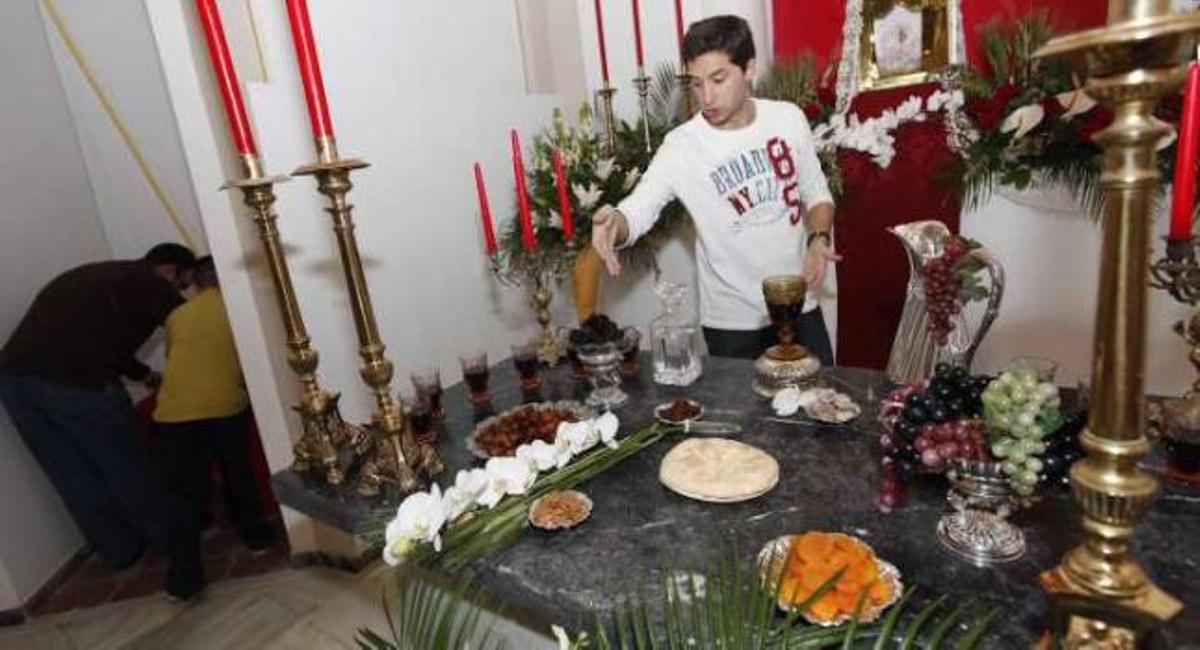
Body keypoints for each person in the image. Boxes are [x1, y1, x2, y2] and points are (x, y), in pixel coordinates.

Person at [591, 15, 839, 363]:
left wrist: (818, 240)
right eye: (696, 84)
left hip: (799, 305)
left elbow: (818, 195)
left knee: (824, 410)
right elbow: (638, 208)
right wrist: (613, 225)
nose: (706, 97)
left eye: (718, 79)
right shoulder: (682, 146)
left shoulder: (787, 118)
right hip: (732, 325)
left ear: (749, 69)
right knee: (743, 419)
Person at [0, 243, 195, 567]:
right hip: (74, 385)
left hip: (14, 382)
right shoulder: (150, 283)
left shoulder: (97, 275)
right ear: (170, 271)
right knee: (125, 462)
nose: (182, 291)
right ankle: (166, 538)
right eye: (184, 283)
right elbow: (192, 327)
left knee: (70, 472)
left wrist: (143, 374)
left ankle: (118, 551)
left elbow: (101, 339)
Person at [153, 255, 272, 601]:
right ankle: (258, 539)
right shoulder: (239, 312)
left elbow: (177, 358)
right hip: (224, 406)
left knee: (182, 495)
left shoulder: (178, 315)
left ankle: (184, 580)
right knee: (237, 472)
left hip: (174, 414)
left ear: (199, 281)